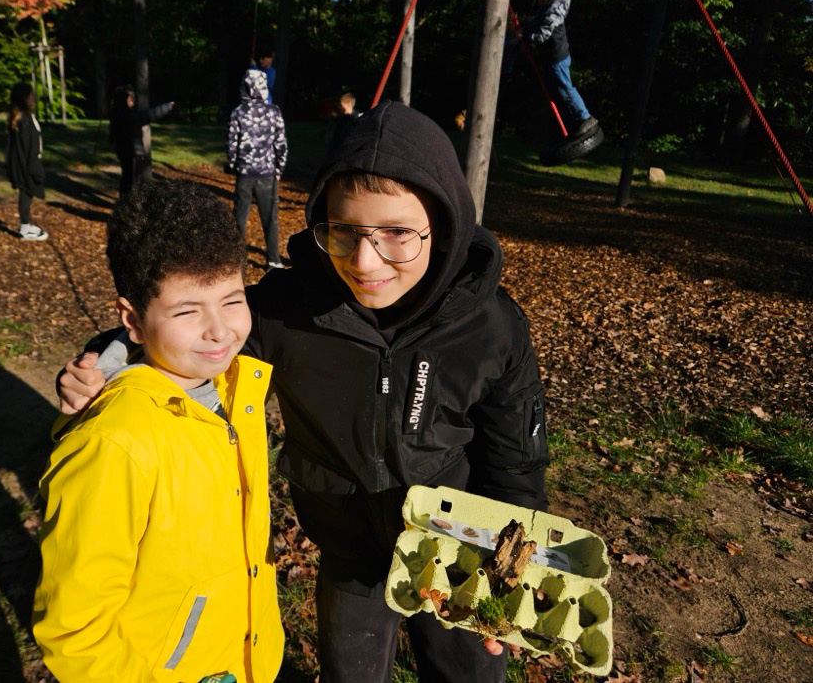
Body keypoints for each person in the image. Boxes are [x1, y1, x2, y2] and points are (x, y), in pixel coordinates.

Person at [59, 101, 548, 683]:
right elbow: (189, 329)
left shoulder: (491, 326)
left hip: (457, 551)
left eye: (397, 234)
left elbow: (515, 460)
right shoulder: (286, 310)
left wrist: (507, 575)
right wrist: (107, 358)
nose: (365, 261)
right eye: (344, 231)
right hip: (350, 551)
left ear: (443, 227)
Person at [32, 180, 284, 682]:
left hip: (244, 660)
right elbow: (75, 632)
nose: (220, 330)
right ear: (132, 320)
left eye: (232, 301)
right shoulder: (114, 444)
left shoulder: (234, 387)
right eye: (188, 311)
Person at [520, 0, 597, 136]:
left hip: (558, 59)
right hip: (552, 59)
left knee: (566, 89)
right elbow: (534, 24)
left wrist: (525, 35)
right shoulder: (545, 10)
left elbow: (542, 35)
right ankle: (570, 122)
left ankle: (585, 117)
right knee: (558, 92)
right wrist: (524, 28)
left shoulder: (554, 13)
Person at [227, 69, 288, 270]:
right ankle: (273, 260)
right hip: (267, 174)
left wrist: (235, 165)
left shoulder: (238, 112)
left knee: (239, 217)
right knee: (270, 218)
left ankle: (237, 262)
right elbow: (280, 143)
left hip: (244, 174)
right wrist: (279, 169)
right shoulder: (273, 111)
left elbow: (231, 144)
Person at [108, 85, 175, 198]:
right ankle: (127, 201)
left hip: (123, 150)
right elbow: (150, 115)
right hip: (130, 151)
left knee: (127, 176)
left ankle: (124, 199)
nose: (132, 102)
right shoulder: (129, 115)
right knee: (130, 178)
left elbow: (113, 134)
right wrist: (168, 106)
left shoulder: (116, 114)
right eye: (129, 99)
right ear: (124, 101)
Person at [5, 82, 48, 241]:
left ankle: (25, 224)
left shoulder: (20, 117)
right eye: (31, 95)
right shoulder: (24, 119)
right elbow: (29, 145)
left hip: (20, 161)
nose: (33, 97)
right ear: (24, 98)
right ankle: (24, 228)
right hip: (25, 162)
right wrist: (34, 167)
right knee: (27, 190)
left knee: (26, 191)